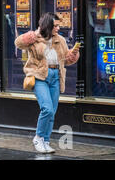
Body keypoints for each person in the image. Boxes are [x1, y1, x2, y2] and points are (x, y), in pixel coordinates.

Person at [15, 12, 79, 154]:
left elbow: (66, 60)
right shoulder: (35, 39)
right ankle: (38, 137)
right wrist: (34, 34)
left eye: (58, 26)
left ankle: (46, 140)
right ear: (47, 25)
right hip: (39, 75)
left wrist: (73, 55)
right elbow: (18, 43)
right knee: (47, 109)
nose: (58, 28)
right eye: (55, 26)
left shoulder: (60, 40)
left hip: (56, 75)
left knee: (52, 112)